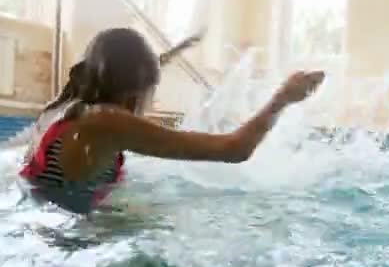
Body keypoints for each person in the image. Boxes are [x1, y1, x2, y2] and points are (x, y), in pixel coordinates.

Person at [18, 28, 325, 214]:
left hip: (42, 214)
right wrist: (283, 98)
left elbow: (147, 66)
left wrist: (179, 49)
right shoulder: (109, 122)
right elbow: (235, 149)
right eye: (152, 91)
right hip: (68, 239)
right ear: (136, 89)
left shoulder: (64, 106)